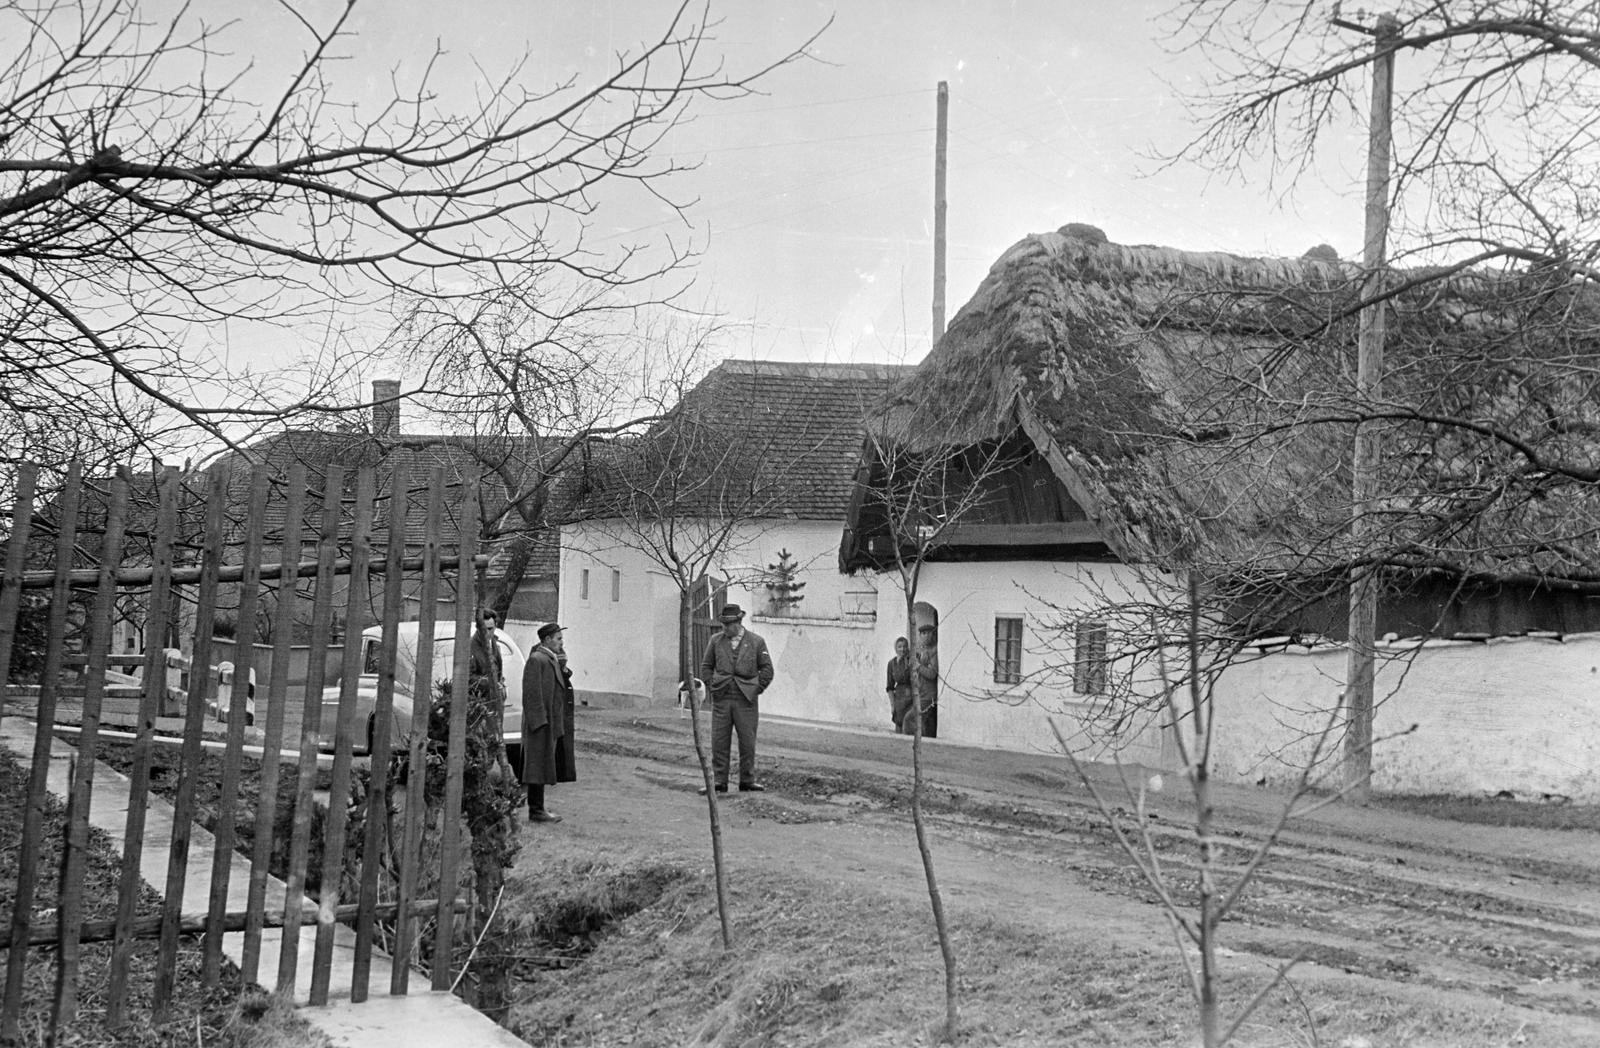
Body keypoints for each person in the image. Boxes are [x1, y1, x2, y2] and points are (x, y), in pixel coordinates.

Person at [698, 604, 774, 793]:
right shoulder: (716, 641)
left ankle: (747, 781)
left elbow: (767, 669)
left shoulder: (757, 642)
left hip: (746, 701)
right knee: (719, 741)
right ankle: (719, 782)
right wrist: (713, 686)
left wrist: (756, 689)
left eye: (728, 624)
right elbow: (706, 666)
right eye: (723, 624)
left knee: (747, 742)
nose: (724, 628)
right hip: (722, 699)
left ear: (738, 623)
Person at [520, 621, 576, 823]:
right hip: (541, 724)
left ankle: (539, 808)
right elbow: (532, 693)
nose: (561, 643)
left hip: (549, 722)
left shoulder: (549, 658)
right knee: (537, 766)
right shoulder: (537, 660)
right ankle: (536, 810)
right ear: (547, 640)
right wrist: (539, 722)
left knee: (543, 765)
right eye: (558, 639)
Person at [914, 622, 939, 739]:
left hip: (929, 695)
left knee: (911, 720)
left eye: (926, 633)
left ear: (932, 635)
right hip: (920, 693)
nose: (923, 636)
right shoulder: (921, 650)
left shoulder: (935, 652)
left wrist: (918, 666)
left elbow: (932, 674)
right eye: (922, 634)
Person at [886, 636, 914, 734]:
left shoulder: (911, 661)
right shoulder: (891, 664)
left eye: (905, 646)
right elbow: (889, 687)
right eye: (900, 647)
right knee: (898, 723)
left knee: (908, 724)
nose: (902, 649)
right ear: (896, 648)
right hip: (899, 698)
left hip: (910, 697)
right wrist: (892, 705)